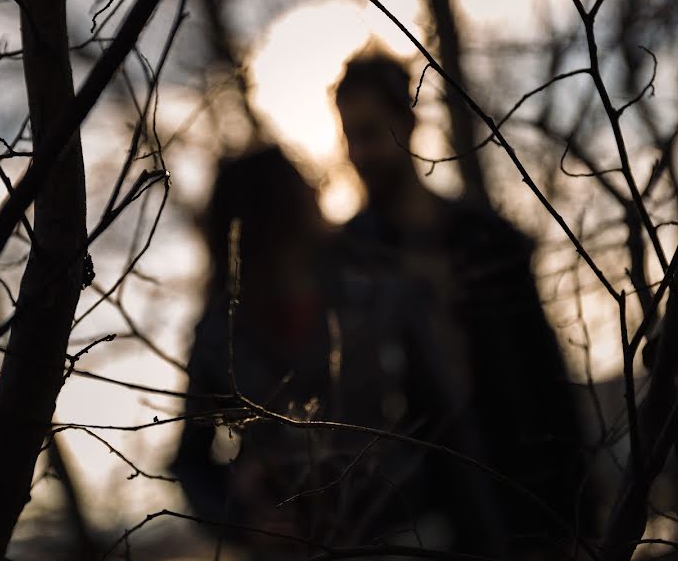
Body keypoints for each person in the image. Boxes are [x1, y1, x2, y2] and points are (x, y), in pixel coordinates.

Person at [331, 49, 592, 557]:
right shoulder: (346, 267)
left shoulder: (486, 240)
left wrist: (582, 506)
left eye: (368, 132)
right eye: (348, 137)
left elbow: (546, 376)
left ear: (406, 124)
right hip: (424, 531)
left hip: (533, 510)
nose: (358, 153)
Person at [170, 147, 339, 555]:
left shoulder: (366, 293)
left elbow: (443, 420)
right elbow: (190, 462)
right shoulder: (217, 332)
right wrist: (246, 523)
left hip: (394, 528)